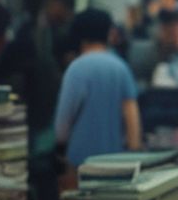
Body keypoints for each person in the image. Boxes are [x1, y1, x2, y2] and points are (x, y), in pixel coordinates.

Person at [0, 0, 77, 200]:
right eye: (65, 6)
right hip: (29, 137)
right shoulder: (28, 39)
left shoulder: (51, 36)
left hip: (46, 136)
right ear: (52, 2)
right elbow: (14, 90)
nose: (67, 13)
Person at [53, 10, 142, 168]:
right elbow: (132, 119)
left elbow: (62, 126)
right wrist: (133, 151)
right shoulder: (121, 68)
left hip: (81, 164)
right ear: (107, 33)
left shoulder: (76, 69)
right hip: (116, 164)